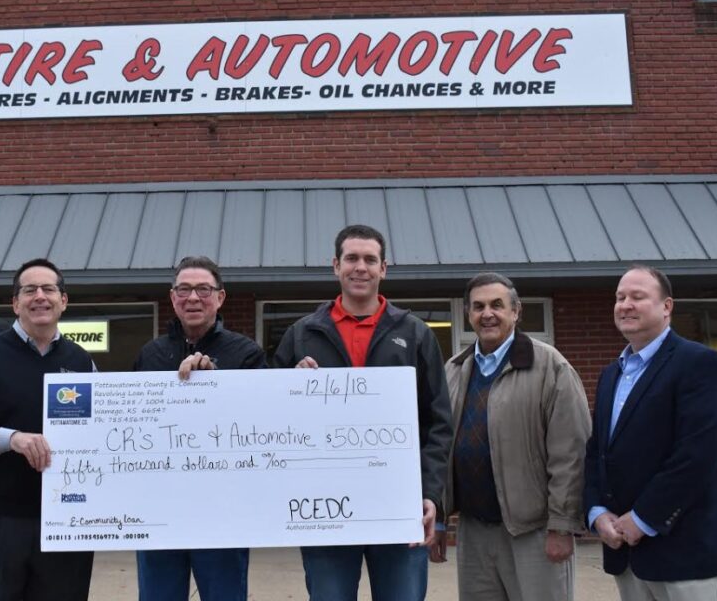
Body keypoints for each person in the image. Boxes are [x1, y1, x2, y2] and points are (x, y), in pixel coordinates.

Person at [274, 224, 453, 601]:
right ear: (335, 266)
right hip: (324, 509)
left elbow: (439, 424)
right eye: (352, 258)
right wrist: (289, 386)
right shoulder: (301, 334)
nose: (361, 267)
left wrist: (432, 495)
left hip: (399, 505)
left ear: (384, 268)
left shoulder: (417, 333)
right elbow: (274, 422)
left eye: (370, 260)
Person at [0, 258, 97, 601]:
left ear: (63, 300)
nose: (40, 296)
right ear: (15, 303)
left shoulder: (83, 361)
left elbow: (98, 435)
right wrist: (9, 438)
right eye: (29, 290)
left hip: (66, 519)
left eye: (49, 289)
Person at [430, 272, 590, 601]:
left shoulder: (551, 368)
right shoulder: (453, 371)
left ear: (516, 312)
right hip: (474, 530)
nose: (487, 313)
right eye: (478, 306)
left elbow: (571, 454)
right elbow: (440, 448)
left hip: (534, 531)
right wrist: (441, 518)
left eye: (497, 305)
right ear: (468, 314)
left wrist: (562, 524)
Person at [584, 265, 717, 600]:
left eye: (637, 297)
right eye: (620, 297)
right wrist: (596, 513)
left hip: (687, 554)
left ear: (667, 306)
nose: (625, 304)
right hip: (625, 554)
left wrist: (643, 519)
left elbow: (697, 456)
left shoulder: (699, 363)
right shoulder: (611, 374)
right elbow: (598, 452)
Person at [134, 256, 267, 601]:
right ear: (172, 296)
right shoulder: (150, 355)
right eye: (184, 289)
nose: (193, 298)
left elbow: (263, 425)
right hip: (159, 510)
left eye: (203, 290)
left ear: (220, 297)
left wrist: (215, 384)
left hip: (223, 512)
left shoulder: (248, 354)